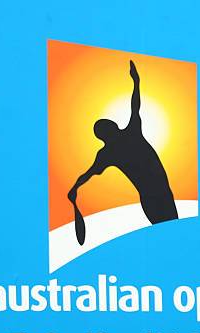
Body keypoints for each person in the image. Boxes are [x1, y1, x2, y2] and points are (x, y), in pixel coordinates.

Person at [68, 60, 178, 244]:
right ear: (108, 132)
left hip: (156, 196)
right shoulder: (126, 137)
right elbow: (135, 105)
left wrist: (75, 188)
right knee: (172, 237)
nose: (112, 124)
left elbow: (86, 175)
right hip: (157, 196)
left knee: (170, 237)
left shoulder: (110, 151)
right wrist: (136, 82)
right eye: (108, 125)